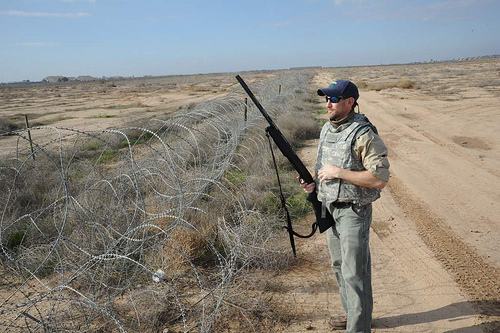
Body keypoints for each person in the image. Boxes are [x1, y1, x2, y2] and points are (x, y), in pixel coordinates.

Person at [300, 79, 390, 332]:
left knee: (355, 272)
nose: (328, 103)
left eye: (334, 99)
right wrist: (313, 185)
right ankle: (353, 315)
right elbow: (322, 169)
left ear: (350, 102)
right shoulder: (327, 129)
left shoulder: (363, 133)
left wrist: (340, 172)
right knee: (340, 267)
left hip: (354, 210)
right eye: (326, 98)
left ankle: (359, 328)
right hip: (330, 207)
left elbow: (379, 179)